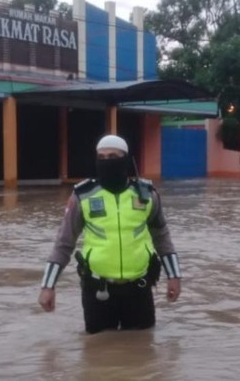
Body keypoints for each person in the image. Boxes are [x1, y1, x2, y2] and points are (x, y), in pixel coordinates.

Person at [38, 134, 182, 334]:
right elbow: (64, 244)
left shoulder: (147, 194)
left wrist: (174, 276)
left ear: (125, 159)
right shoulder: (83, 195)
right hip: (97, 288)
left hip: (139, 289)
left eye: (113, 156)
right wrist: (48, 286)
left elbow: (162, 237)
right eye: (102, 157)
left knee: (142, 349)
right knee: (97, 353)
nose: (107, 162)